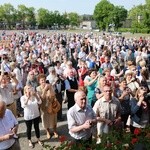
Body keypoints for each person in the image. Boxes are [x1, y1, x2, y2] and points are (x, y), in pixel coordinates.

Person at [36, 74, 58, 139]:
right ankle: (47, 131)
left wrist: (50, 88)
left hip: (51, 105)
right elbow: (41, 99)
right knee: (45, 120)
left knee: (53, 119)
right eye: (41, 80)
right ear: (39, 82)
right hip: (43, 106)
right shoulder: (38, 88)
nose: (43, 81)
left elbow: (53, 95)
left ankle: (55, 131)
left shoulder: (49, 85)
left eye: (44, 80)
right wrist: (45, 90)